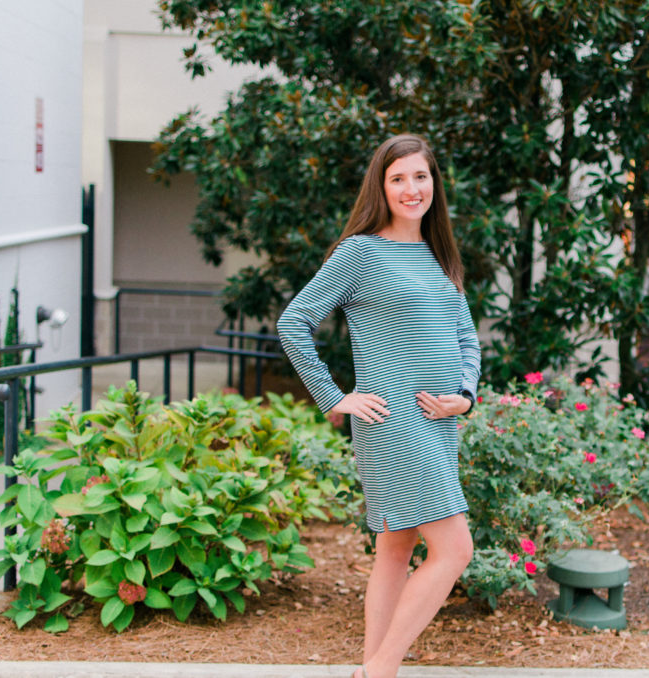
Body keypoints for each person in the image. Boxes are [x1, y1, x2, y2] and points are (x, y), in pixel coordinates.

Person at [277, 134, 481, 678]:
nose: (411, 189)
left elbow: (467, 339)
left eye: (421, 177)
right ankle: (380, 668)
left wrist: (464, 397)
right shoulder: (361, 253)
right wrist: (334, 397)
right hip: (392, 425)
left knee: (395, 549)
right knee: (455, 549)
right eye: (398, 179)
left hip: (439, 428)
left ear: (434, 183)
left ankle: (373, 671)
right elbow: (294, 323)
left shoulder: (440, 256)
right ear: (382, 187)